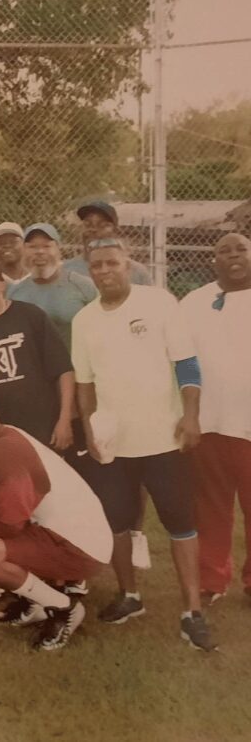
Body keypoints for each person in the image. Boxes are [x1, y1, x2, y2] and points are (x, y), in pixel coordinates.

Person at [72, 238, 216, 651]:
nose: (104, 271)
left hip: (164, 439)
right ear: (89, 269)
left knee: (180, 522)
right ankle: (129, 596)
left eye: (112, 263)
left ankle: (192, 612)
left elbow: (186, 363)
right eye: (96, 265)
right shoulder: (84, 320)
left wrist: (190, 416)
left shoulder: (159, 302)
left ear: (127, 263)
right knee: (117, 522)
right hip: (114, 443)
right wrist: (89, 430)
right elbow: (84, 383)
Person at [0, 393, 112, 650]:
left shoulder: (8, 448)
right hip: (58, 532)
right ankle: (34, 604)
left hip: (82, 545)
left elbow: (8, 526)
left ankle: (64, 608)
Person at [181, 232, 251, 604]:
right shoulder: (195, 301)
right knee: (211, 505)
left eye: (241, 248)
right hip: (209, 421)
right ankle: (212, 579)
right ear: (214, 259)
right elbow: (182, 357)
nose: (234, 255)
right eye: (224, 250)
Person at [0, 259, 74, 447]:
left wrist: (65, 420)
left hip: (43, 428)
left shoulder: (30, 316)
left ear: (2, 283)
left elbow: (63, 369)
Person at [8, 223, 97, 350]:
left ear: (58, 249)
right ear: (23, 251)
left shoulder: (83, 286)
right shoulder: (15, 293)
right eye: (32, 247)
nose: (39, 252)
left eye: (47, 246)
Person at [63, 201, 152, 286]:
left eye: (103, 225)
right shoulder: (66, 271)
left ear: (116, 231)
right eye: (88, 224)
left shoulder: (136, 272)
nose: (94, 229)